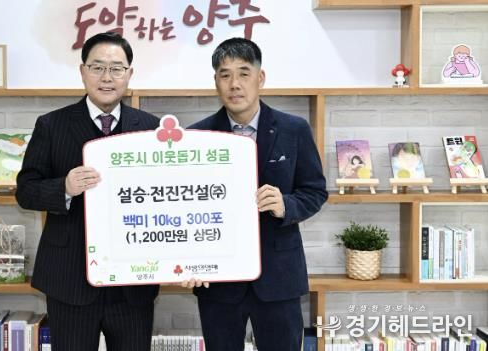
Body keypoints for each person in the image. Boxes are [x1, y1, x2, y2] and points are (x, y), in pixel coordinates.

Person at [16, 32, 160, 351]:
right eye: (97, 67)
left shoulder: (151, 129)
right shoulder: (51, 125)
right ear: (83, 72)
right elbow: (25, 191)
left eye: (116, 68)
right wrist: (64, 187)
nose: (107, 77)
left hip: (132, 282)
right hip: (70, 279)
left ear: (129, 74)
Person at [183, 37, 328, 351]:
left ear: (260, 78)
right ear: (216, 81)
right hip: (219, 280)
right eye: (225, 75)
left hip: (279, 278)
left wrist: (285, 204)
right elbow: (186, 206)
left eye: (243, 73)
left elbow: (315, 191)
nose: (234, 84)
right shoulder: (196, 137)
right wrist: (190, 260)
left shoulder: (294, 129)